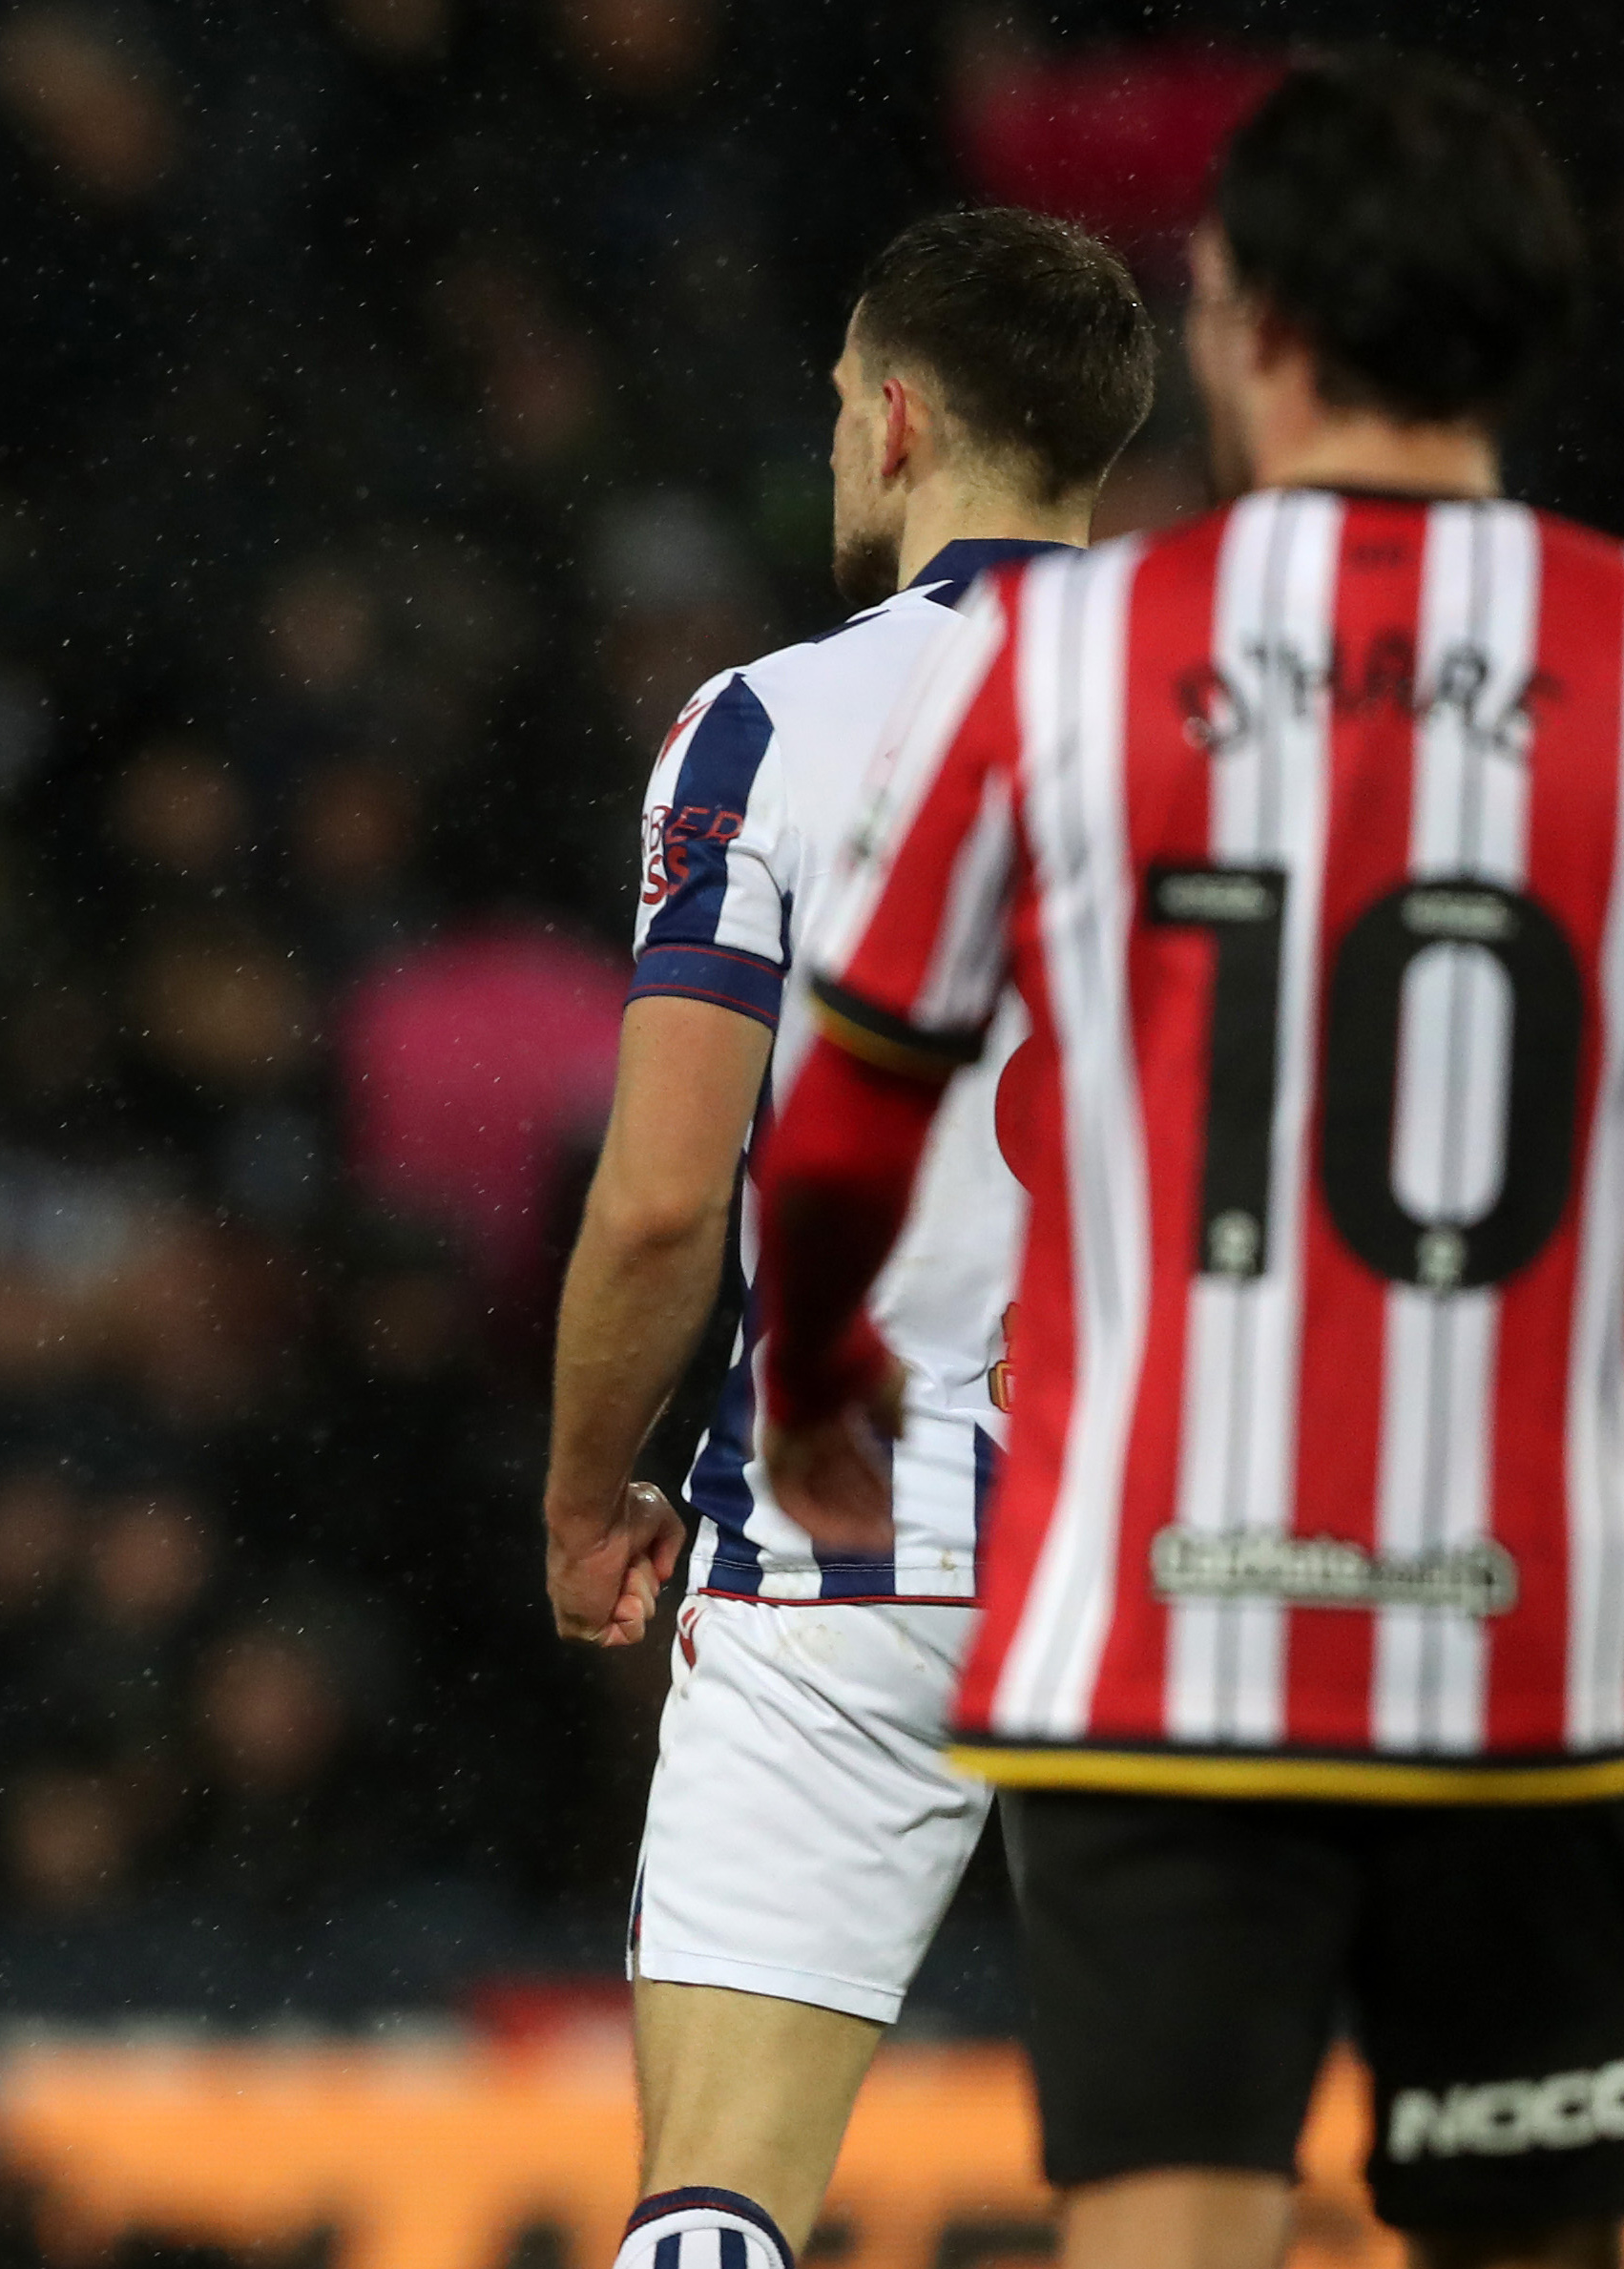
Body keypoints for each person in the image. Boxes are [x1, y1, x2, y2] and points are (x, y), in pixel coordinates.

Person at [750, 54, 1615, 2269]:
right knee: (1537, 2232)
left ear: (1255, 327)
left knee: (1166, 2232)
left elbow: (846, 1109)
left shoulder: (1068, 662)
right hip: (1530, 1640)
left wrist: (817, 1386)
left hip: (1159, 1633)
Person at [543, 210, 1154, 2269]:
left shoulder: (768, 726)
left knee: (715, 2205)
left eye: (832, 409)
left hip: (843, 1543)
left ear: (894, 421)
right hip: (1181, 1553)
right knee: (1208, 2188)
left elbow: (652, 1199)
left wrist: (578, 1495)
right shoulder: (1258, 733)